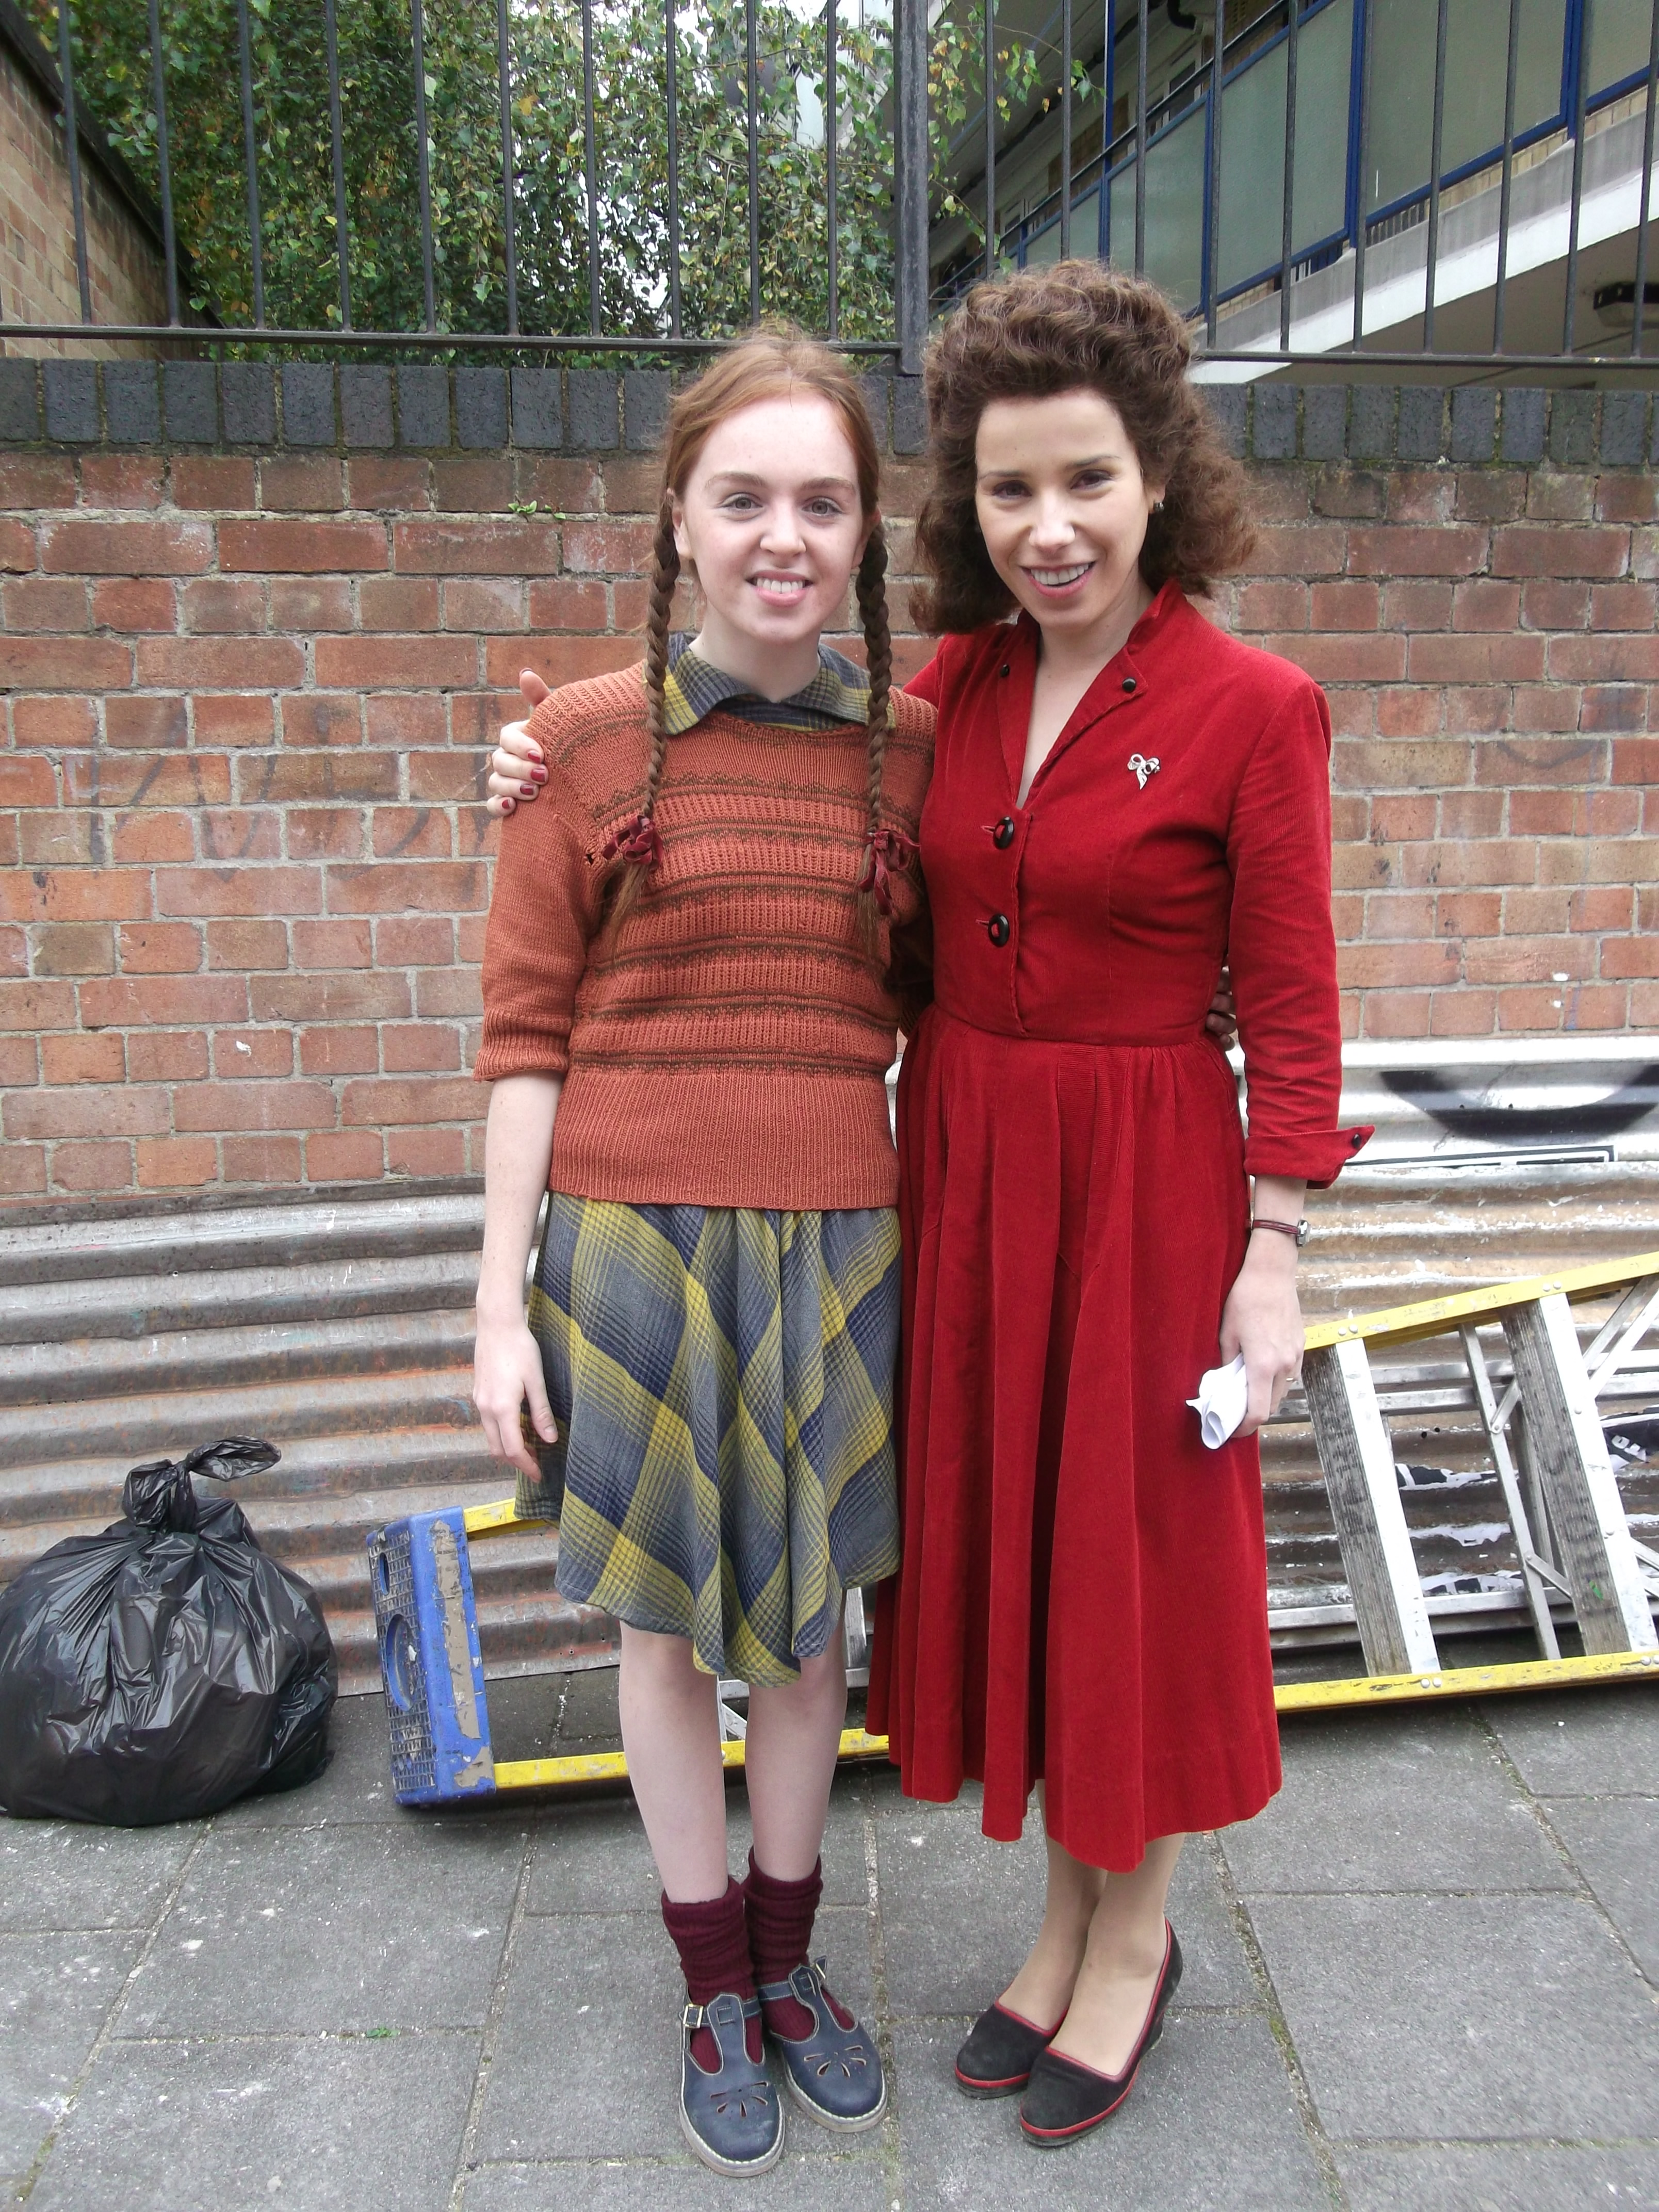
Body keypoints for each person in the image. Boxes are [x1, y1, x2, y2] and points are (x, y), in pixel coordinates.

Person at [871, 263, 1369, 2148]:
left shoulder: (1256, 707)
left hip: (1153, 1183)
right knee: (1022, 1541)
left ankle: (1135, 1931)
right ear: (968, 501)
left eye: (1085, 479)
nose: (1049, 527)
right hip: (973, 1171)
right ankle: (1062, 1910)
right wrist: (559, 758)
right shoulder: (948, 684)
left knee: (1129, 1565)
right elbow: (772, 777)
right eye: (1010, 490)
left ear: (1157, 473)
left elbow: (1300, 1011)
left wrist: (1276, 1252)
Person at [469, 331, 935, 2177]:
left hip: (837, 1240)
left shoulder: (915, 751)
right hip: (631, 1245)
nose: (782, 536)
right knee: (667, 1633)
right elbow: (523, 1036)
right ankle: (708, 1984)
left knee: (812, 1636)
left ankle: (792, 1957)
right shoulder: (579, 749)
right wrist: (493, 1300)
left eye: (822, 502)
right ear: (676, 520)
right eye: (742, 497)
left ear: (867, 534)